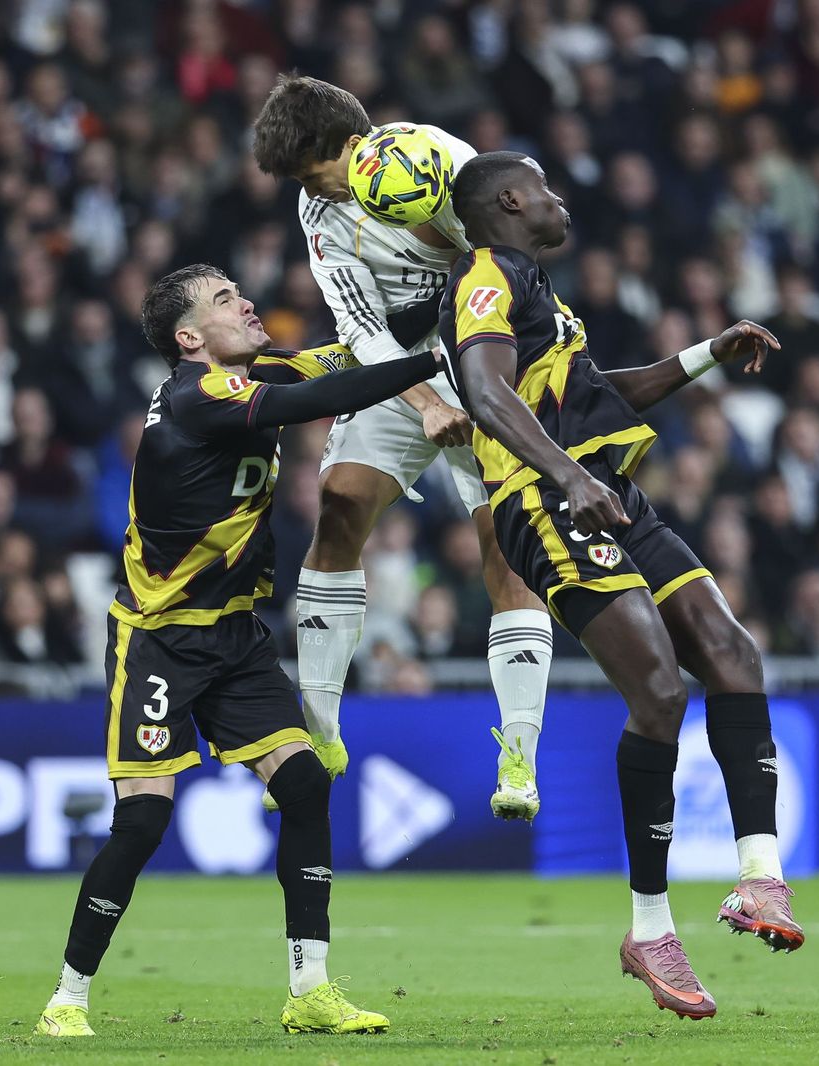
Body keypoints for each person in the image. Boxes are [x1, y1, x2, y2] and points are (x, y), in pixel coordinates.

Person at [439, 151, 802, 1019]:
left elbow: (605, 394)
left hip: (608, 495)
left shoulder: (541, 294)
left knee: (732, 652)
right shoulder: (484, 280)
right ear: (512, 200)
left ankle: (760, 879)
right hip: (545, 502)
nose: (564, 202)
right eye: (549, 189)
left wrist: (708, 353)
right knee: (659, 690)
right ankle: (650, 927)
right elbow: (486, 393)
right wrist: (566, 476)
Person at [35, 265, 442, 1039]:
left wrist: (454, 304)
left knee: (304, 784)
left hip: (237, 636)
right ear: (189, 338)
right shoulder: (197, 397)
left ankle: (310, 990)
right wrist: (434, 367)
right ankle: (68, 996)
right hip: (160, 639)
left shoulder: (251, 372)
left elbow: (345, 355)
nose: (247, 303)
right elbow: (311, 399)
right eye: (224, 300)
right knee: (144, 824)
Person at [252, 75, 551, 822]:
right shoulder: (316, 208)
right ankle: (318, 729)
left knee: (504, 542)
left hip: (489, 354)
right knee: (341, 501)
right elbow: (358, 323)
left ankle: (520, 755)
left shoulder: (440, 162)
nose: (308, 190)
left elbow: (513, 262)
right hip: (403, 362)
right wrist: (423, 402)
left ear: (349, 146)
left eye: (311, 170)